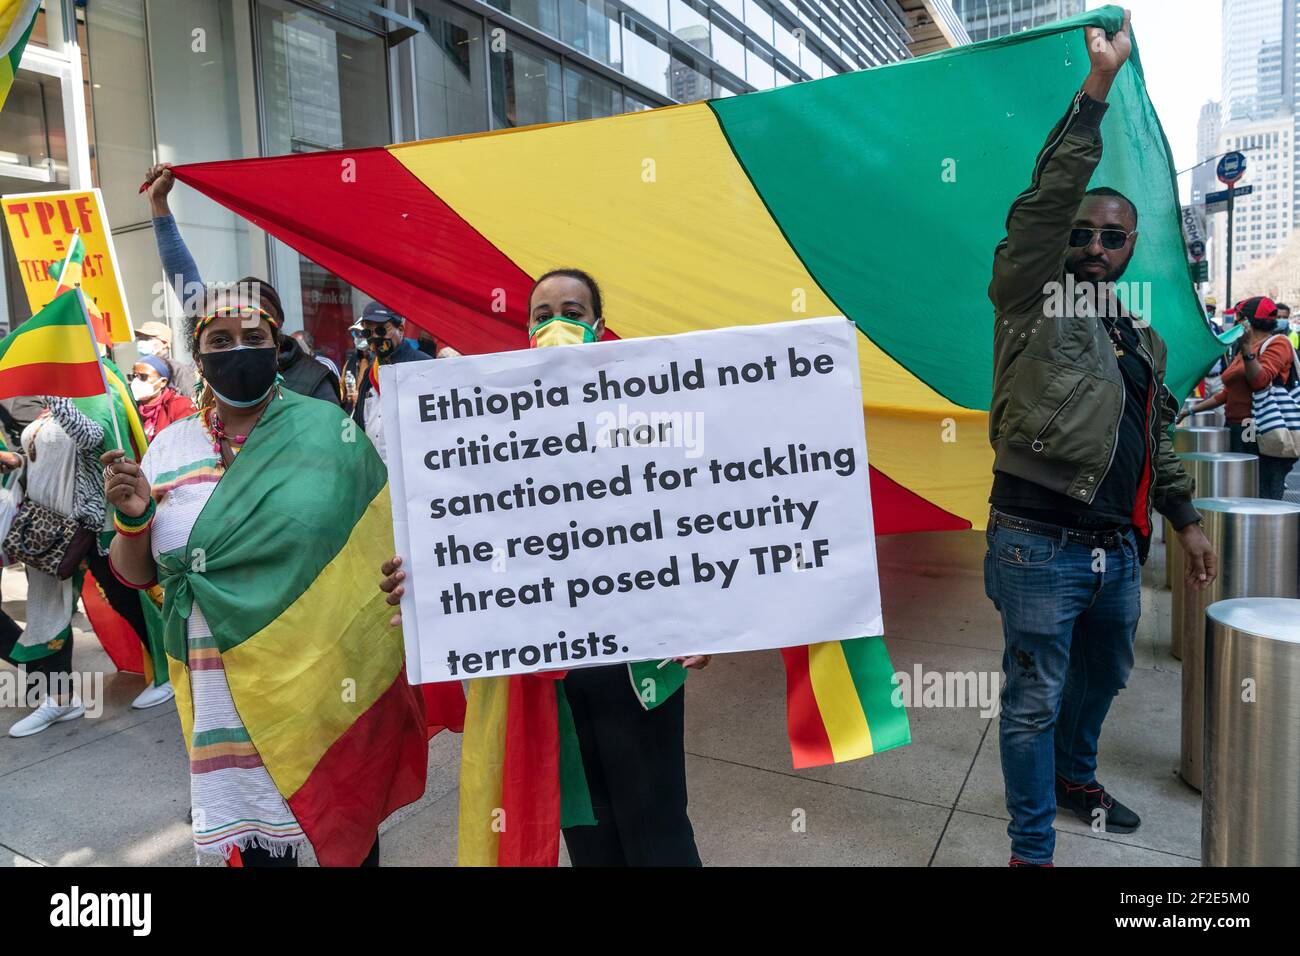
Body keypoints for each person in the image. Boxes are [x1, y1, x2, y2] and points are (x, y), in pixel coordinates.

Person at [983, 12, 1216, 868]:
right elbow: (1046, 203)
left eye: (1110, 236)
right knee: (1033, 699)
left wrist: (1184, 518)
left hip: (1116, 546)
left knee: (1103, 678)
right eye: (1082, 233)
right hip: (1036, 540)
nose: (1091, 245)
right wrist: (1097, 92)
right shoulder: (1031, 292)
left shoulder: (1142, 337)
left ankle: (1076, 781)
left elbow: (1155, 431)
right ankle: (1031, 849)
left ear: (1130, 247)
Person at [379, 269, 709, 866]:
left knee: (657, 826)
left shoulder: (649, 414)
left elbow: (695, 521)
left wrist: (709, 618)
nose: (558, 324)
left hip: (639, 664)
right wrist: (425, 581)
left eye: (574, 312)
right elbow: (466, 526)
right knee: (588, 829)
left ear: (600, 326)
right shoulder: (490, 427)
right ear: (526, 329)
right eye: (542, 313)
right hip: (546, 672)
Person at [102, 289, 426, 866]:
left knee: (342, 841)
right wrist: (132, 521)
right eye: (219, 341)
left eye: (254, 338)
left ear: (278, 347)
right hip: (220, 702)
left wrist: (413, 578)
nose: (239, 350)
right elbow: (139, 575)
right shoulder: (168, 448)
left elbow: (384, 537)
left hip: (321, 694)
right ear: (198, 358)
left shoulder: (329, 433)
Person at [143, 163, 340, 406]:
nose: (243, 317)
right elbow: (181, 271)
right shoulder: (183, 438)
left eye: (258, 315)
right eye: (221, 338)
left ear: (276, 328)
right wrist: (158, 202)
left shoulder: (313, 381)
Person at [1180, 296, 1298, 500]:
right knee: (1241, 486)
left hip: (1255, 427)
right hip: (1236, 426)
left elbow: (1260, 380)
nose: (1235, 322)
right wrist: (1189, 411)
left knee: (1260, 487)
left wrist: (1246, 351)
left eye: (1238, 317)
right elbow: (1228, 393)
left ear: (1247, 321)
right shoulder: (1245, 346)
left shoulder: (1277, 344)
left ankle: (1265, 530)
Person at [350, 301, 432, 462]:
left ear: (400, 330)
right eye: (368, 332)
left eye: (381, 330)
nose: (375, 337)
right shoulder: (370, 374)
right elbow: (359, 423)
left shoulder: (423, 366)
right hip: (378, 474)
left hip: (415, 469)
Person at [131, 355, 196, 442]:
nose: (136, 381)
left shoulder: (181, 406)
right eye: (133, 376)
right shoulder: (130, 407)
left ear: (163, 382)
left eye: (143, 377)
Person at [135, 321, 199, 401]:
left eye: (147, 338)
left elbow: (191, 401)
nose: (141, 342)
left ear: (165, 343)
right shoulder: (140, 367)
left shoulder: (178, 370)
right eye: (139, 338)